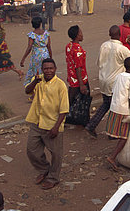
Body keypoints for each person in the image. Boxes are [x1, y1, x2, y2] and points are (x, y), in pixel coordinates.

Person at [25, 58, 69, 190]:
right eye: (46, 69)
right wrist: (35, 82)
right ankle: (44, 169)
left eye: (50, 68)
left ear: (55, 69)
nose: (48, 71)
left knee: (56, 154)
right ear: (42, 70)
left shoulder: (60, 85)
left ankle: (53, 178)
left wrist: (56, 127)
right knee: (31, 150)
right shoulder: (39, 81)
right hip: (37, 122)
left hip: (52, 125)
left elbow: (64, 110)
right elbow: (27, 91)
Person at [85, 26, 130, 137]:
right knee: (115, 106)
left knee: (107, 104)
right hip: (115, 82)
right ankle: (112, 132)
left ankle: (92, 125)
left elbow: (99, 63)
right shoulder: (122, 49)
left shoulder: (104, 45)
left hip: (103, 80)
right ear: (120, 35)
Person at [105, 57, 130, 171]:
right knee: (124, 136)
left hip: (114, 107)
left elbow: (114, 91)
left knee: (119, 132)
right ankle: (112, 157)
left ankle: (118, 155)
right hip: (124, 111)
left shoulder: (119, 76)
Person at [20, 16, 52, 87]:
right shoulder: (46, 34)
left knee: (36, 72)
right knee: (45, 71)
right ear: (40, 23)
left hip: (36, 56)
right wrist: (50, 58)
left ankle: (36, 89)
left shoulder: (32, 35)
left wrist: (23, 59)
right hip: (45, 54)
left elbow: (29, 47)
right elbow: (49, 46)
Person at [65, 25, 88, 104]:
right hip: (79, 80)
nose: (82, 34)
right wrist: (81, 85)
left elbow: (70, 62)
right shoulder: (78, 50)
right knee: (81, 105)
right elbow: (78, 67)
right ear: (77, 36)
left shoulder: (69, 46)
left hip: (72, 78)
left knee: (70, 101)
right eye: (80, 32)